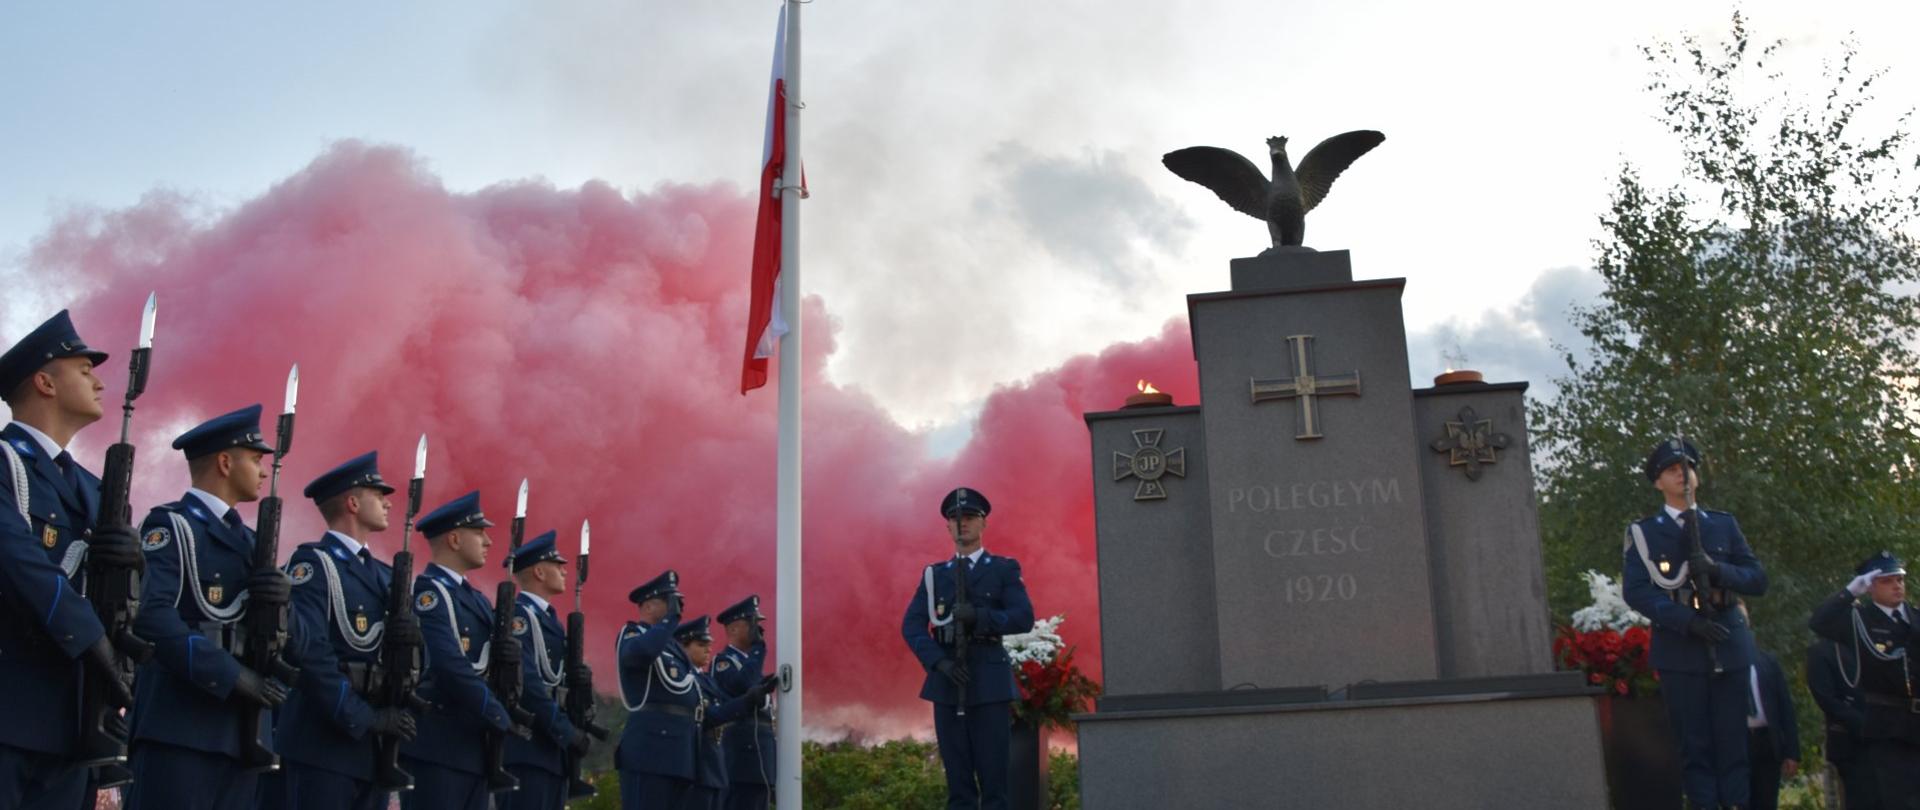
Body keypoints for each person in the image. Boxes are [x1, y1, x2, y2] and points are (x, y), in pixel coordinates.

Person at [0, 310, 143, 808]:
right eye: (84, 369)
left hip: (73, 720)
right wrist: (91, 639)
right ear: (44, 382)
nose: (98, 382)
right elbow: (18, 559)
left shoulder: (96, 490)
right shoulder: (4, 464)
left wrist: (135, 564)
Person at [124, 405, 295, 810]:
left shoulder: (255, 544)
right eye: (255, 459)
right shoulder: (172, 526)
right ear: (224, 461)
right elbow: (154, 616)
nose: (262, 471)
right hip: (181, 729)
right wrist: (233, 676)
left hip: (243, 736)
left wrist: (284, 602)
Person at [264, 451, 419, 810]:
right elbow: (310, 653)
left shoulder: (385, 576)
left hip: (374, 747)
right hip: (325, 742)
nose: (387, 503)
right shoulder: (313, 564)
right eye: (377, 495)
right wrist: (364, 718)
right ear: (351, 502)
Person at [1620, 439, 1768, 810]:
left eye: (1687, 469)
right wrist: (1686, 622)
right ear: (1658, 483)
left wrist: (1719, 570)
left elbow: (1757, 579)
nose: (1682, 477)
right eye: (1672, 471)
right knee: (1695, 746)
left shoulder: (1722, 524)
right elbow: (1637, 592)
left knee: (1734, 743)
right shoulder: (1646, 532)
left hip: (1728, 640)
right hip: (1680, 648)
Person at [901, 487, 1035, 810]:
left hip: (988, 682)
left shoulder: (1003, 569)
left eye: (970, 517)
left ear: (983, 523)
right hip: (948, 684)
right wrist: (938, 664)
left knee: (994, 786)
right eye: (955, 518)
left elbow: (1023, 617)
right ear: (947, 526)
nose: (963, 523)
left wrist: (981, 617)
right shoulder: (934, 576)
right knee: (959, 787)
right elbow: (912, 625)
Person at [399, 491, 517, 810]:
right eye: (479, 533)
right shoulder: (430, 593)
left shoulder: (476, 600)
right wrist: (493, 709)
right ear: (454, 539)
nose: (488, 542)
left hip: (473, 748)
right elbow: (447, 662)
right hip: (438, 744)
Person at [1809, 551, 1920, 809]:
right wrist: (1849, 592)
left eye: (1900, 580)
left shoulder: (1916, 618)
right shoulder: (1859, 620)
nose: (1897, 586)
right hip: (1886, 729)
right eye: (1887, 580)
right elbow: (1819, 622)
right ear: (1870, 586)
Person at [499, 530, 589, 810]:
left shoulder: (550, 620)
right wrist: (564, 730)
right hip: (528, 747)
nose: (564, 571)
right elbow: (527, 683)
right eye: (557, 565)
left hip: (551, 752)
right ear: (538, 571)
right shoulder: (520, 617)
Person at [676, 614, 777, 810]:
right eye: (700, 644)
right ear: (683, 647)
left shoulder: (705, 680)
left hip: (715, 767)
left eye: (708, 643)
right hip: (701, 763)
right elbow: (718, 710)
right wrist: (758, 649)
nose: (709, 648)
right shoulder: (697, 674)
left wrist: (756, 693)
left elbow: (723, 706)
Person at [615, 570, 697, 808]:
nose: (677, 606)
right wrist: (670, 621)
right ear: (648, 606)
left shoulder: (672, 646)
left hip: (679, 750)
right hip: (650, 750)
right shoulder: (633, 634)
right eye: (669, 601)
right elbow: (639, 654)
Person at [713, 595, 775, 810]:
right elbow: (743, 684)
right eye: (752, 624)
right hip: (741, 751)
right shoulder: (724, 662)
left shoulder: (750, 664)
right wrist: (759, 648)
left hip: (760, 751)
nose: (758, 629)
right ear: (734, 629)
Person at [1807, 635, 1878, 810]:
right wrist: (1860, 723)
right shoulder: (1823, 652)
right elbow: (1826, 698)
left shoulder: (1870, 644)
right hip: (1851, 742)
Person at [1745, 645, 1799, 810]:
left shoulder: (1767, 662)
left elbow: (1785, 707)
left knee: (1767, 801)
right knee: (1744, 800)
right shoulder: (1722, 663)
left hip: (1767, 739)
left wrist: (1792, 752)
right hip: (1740, 742)